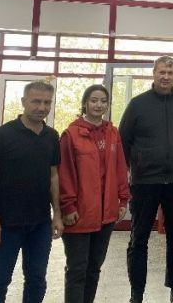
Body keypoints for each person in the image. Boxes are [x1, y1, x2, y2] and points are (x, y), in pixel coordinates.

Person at [0, 80, 64, 303]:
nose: (42, 107)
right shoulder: (2, 135)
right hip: (6, 224)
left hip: (40, 225)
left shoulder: (52, 136)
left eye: (47, 102)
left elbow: (53, 176)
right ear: (23, 102)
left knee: (37, 280)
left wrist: (57, 214)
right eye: (36, 101)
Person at [119, 56, 173, 303]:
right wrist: (128, 174)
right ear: (154, 73)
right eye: (162, 72)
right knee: (139, 238)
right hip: (144, 183)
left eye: (170, 73)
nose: (166, 76)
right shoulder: (137, 104)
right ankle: (137, 293)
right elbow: (123, 142)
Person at [59, 84, 130, 303]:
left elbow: (120, 167)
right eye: (93, 100)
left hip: (106, 213)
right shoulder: (71, 134)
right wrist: (67, 206)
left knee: (94, 268)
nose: (98, 105)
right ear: (85, 104)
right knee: (77, 269)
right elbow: (64, 173)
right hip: (79, 213)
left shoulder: (112, 133)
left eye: (103, 101)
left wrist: (123, 199)